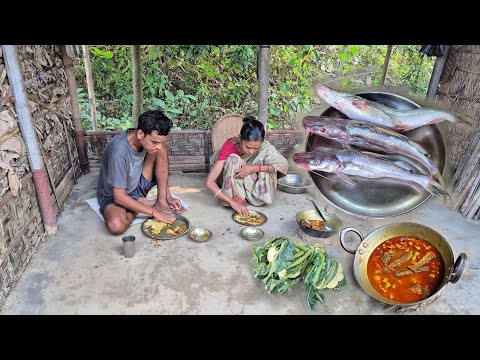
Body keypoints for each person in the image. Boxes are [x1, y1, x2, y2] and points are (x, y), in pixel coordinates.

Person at [97, 109, 186, 235]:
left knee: (160, 149)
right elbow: (119, 197)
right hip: (115, 195)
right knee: (116, 226)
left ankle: (160, 201)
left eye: (160, 141)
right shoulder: (119, 152)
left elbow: (158, 151)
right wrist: (153, 212)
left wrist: (168, 197)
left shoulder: (148, 140)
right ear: (140, 134)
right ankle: (140, 205)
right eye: (154, 142)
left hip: (137, 185)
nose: (158, 146)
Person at [205, 116, 289, 216]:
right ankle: (236, 197)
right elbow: (209, 182)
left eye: (255, 148)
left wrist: (254, 168)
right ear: (239, 138)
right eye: (247, 147)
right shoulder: (229, 147)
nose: (251, 151)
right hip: (231, 178)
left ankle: (253, 197)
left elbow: (283, 165)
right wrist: (232, 202)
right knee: (233, 159)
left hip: (249, 177)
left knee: (270, 167)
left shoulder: (264, 147)